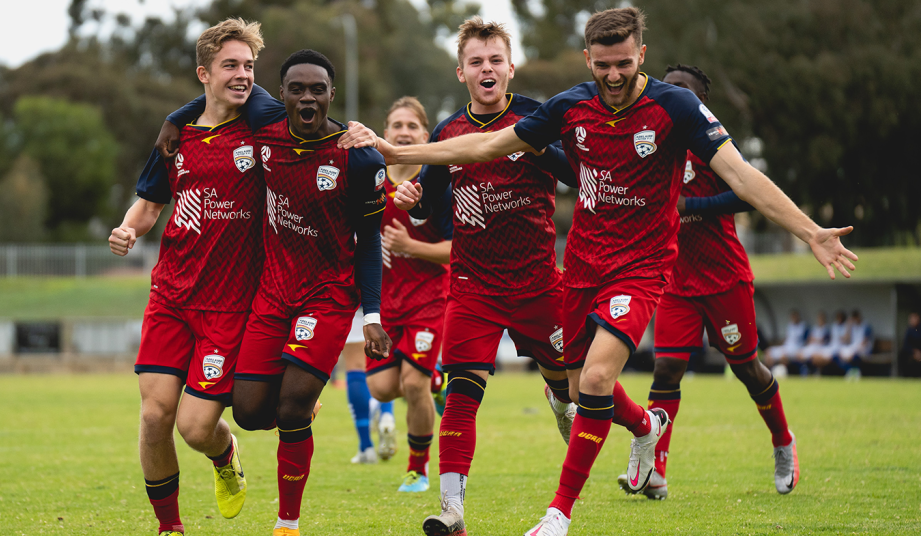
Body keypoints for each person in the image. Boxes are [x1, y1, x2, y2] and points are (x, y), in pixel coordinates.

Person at [338, 8, 857, 535]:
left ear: (642, 57)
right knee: (552, 390)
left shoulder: (675, 107)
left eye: (624, 64)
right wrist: (395, 152)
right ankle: (636, 431)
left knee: (597, 377)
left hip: (627, 269)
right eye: (603, 65)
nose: (614, 76)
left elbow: (743, 177)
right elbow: (486, 145)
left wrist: (809, 230)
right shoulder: (568, 107)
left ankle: (558, 515)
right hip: (569, 271)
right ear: (588, 59)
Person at [356, 18, 589, 536]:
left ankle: (564, 400)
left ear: (511, 66)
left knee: (569, 386)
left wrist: (534, 145)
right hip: (472, 289)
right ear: (461, 72)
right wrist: (417, 209)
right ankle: (451, 509)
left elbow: (576, 173)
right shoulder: (446, 134)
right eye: (476, 62)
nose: (487, 69)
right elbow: (438, 215)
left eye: (495, 60)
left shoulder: (537, 116)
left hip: (537, 285)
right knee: (461, 394)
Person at [160, 49, 393, 536]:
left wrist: (371, 315)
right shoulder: (264, 123)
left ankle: (287, 523)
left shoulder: (359, 157)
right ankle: (303, 400)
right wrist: (173, 119)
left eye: (318, 90)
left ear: (332, 94)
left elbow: (368, 243)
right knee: (246, 413)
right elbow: (219, 93)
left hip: (327, 297)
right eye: (297, 89)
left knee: (289, 408)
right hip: (272, 294)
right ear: (281, 95)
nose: (307, 98)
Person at [613, 63, 799, 501]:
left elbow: (745, 193)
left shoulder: (713, 145)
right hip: (675, 281)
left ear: (699, 103)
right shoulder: (649, 148)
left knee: (747, 371)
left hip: (724, 278)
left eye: (682, 90)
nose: (670, 95)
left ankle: (782, 442)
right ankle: (656, 471)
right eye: (666, 87)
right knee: (666, 368)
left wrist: (691, 207)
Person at [108, 18, 265, 536]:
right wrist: (128, 230)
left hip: (229, 305)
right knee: (154, 418)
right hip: (171, 296)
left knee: (196, 429)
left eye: (248, 66)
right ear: (204, 73)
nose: (242, 75)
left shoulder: (263, 129)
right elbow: (149, 205)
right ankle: (169, 528)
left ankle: (226, 456)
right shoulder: (176, 137)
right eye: (230, 66)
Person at [365, 96, 453, 492]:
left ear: (425, 133)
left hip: (430, 300)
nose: (403, 132)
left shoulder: (434, 184)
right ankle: (435, 379)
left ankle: (417, 469)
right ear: (385, 133)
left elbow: (459, 249)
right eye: (396, 125)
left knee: (412, 385)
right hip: (384, 305)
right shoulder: (369, 179)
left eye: (411, 126)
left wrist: (411, 247)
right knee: (382, 387)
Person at [344, 309, 396, 465]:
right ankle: (387, 413)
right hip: (382, 300)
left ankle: (366, 447)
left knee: (355, 365)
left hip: (353, 300)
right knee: (382, 360)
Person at [837, 309, 873, 378]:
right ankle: (851, 370)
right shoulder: (853, 326)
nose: (855, 320)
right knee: (839, 354)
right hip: (854, 347)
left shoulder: (866, 326)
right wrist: (848, 326)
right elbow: (846, 340)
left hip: (865, 348)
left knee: (854, 354)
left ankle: (855, 372)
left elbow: (865, 341)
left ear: (858, 317)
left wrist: (855, 349)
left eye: (855, 318)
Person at [899, 312, 921, 377]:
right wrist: (914, 352)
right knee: (901, 355)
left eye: (913, 318)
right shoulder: (909, 330)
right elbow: (905, 344)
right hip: (913, 352)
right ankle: (904, 376)